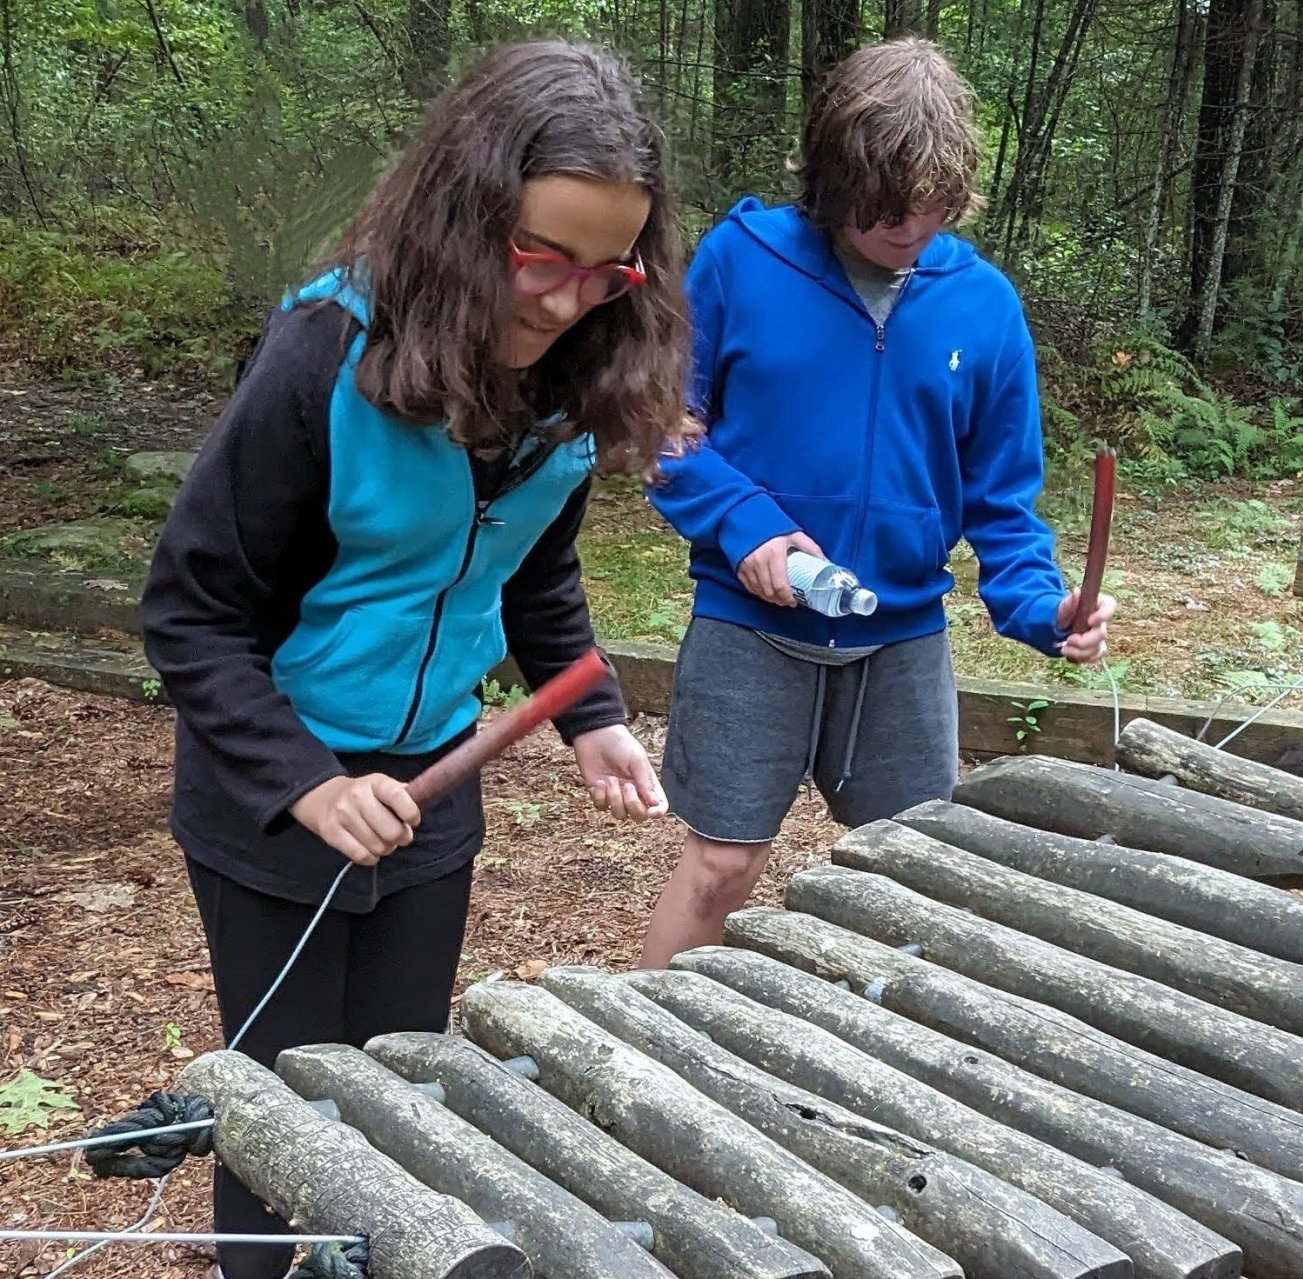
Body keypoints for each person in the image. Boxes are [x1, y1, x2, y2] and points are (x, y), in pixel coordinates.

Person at [140, 41, 688, 1279]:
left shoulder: (575, 367)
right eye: (538, 257)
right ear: (463, 215)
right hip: (274, 799)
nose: (561, 302)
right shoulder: (325, 354)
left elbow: (531, 565)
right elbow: (190, 609)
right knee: (282, 1103)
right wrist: (310, 781)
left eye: (607, 274)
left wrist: (592, 710)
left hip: (435, 794)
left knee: (394, 1087)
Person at [641, 37, 1116, 968]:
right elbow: (661, 432)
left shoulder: (982, 305)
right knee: (724, 863)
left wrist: (1041, 606)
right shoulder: (740, 262)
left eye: (930, 209)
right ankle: (633, 1059)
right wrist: (746, 526)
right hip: (751, 624)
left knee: (914, 875)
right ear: (828, 177)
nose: (906, 228)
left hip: (901, 639)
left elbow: (1005, 503)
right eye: (883, 210)